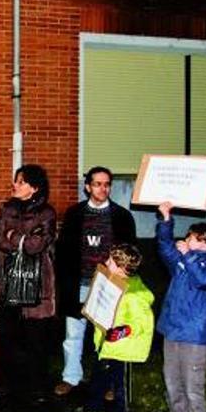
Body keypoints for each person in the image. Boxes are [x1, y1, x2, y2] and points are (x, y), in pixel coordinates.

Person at [54, 166, 136, 396]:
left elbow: (130, 253)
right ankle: (71, 378)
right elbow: (63, 251)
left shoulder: (122, 217)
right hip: (78, 284)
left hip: (108, 287)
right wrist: (65, 282)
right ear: (88, 187)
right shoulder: (74, 214)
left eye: (107, 184)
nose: (103, 188)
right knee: (73, 336)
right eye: (98, 184)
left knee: (107, 336)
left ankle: (108, 382)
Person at [155, 202, 206, 412]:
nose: (186, 239)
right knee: (171, 376)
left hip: (194, 332)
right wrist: (166, 220)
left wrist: (189, 256)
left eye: (192, 237)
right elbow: (165, 248)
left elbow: (205, 281)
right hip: (173, 327)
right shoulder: (183, 261)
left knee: (192, 378)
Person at [0, 164, 57, 399]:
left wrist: (14, 236)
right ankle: (12, 388)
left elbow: (36, 245)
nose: (15, 185)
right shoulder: (6, 209)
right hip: (9, 282)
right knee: (9, 338)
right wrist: (20, 239)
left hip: (37, 285)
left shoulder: (47, 212)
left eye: (21, 182)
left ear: (35, 187)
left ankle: (38, 389)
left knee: (36, 340)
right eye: (16, 180)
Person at [83, 244, 153, 412]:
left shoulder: (135, 294)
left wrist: (124, 331)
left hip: (123, 348)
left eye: (111, 262)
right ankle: (93, 407)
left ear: (122, 268)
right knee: (99, 376)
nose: (106, 263)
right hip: (106, 345)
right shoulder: (112, 282)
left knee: (121, 382)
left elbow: (143, 322)